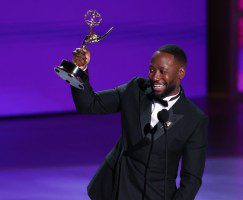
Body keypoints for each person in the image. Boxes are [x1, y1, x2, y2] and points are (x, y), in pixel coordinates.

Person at [71, 44, 208, 200]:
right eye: (151, 70)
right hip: (114, 187)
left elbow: (191, 179)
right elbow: (89, 105)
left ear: (180, 73)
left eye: (163, 71)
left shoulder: (194, 119)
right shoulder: (135, 89)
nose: (155, 77)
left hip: (154, 195)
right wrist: (80, 70)